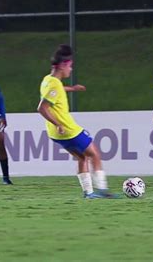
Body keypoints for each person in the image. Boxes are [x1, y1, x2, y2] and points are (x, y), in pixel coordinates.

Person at [37, 44, 117, 199]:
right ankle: (102, 190)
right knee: (95, 155)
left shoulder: (48, 80)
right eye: (70, 66)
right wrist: (58, 124)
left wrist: (72, 89)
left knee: (81, 157)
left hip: (55, 134)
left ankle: (89, 193)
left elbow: (55, 91)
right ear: (62, 65)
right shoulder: (54, 84)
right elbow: (42, 107)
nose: (71, 70)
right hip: (67, 129)